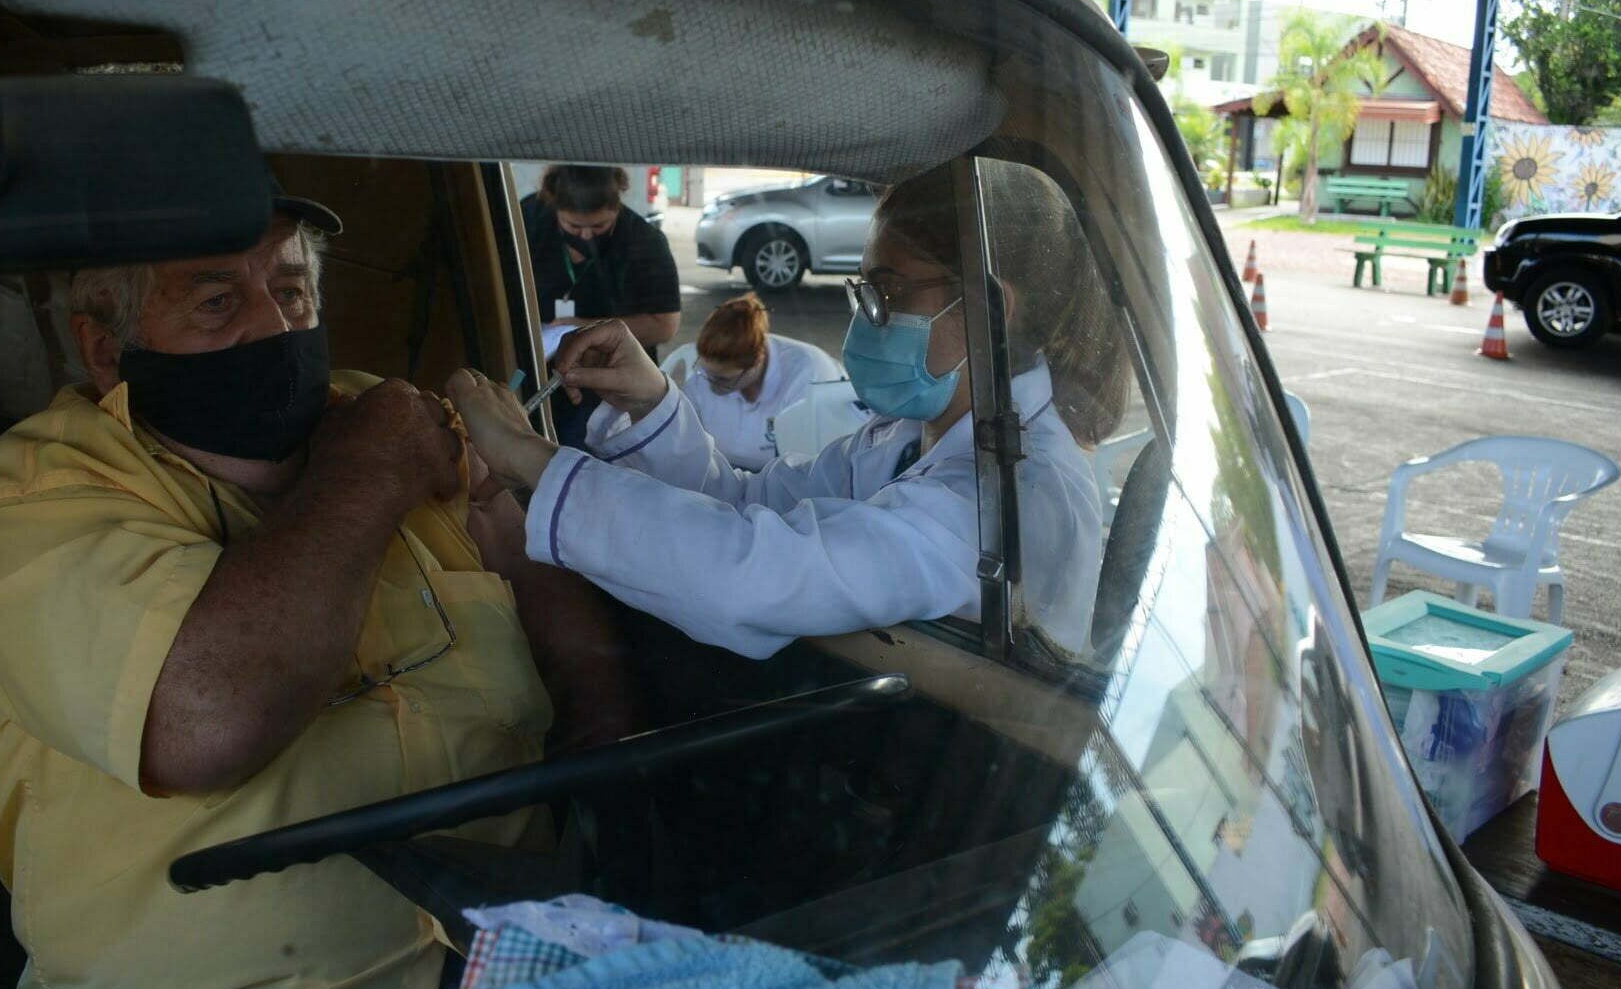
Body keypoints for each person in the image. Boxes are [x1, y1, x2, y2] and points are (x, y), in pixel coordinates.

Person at [0, 198, 618, 989]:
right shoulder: (40, 491)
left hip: (510, 985)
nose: (275, 326)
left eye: (293, 291)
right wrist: (367, 474)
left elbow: (540, 579)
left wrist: (609, 765)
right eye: (217, 301)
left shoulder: (379, 413)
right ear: (106, 348)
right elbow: (208, 716)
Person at [449, 162, 1122, 657]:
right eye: (865, 291)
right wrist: (651, 400)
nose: (866, 316)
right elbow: (749, 504)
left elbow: (757, 574)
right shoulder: (904, 436)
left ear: (987, 308)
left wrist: (531, 457)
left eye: (887, 293)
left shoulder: (1010, 496)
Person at [521, 164, 680, 447]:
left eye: (599, 226)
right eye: (573, 226)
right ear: (555, 207)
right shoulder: (528, 220)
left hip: (608, 383)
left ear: (616, 208)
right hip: (535, 370)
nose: (585, 236)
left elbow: (664, 325)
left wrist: (584, 327)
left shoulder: (645, 241)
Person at [681, 292, 848, 471]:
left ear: (757, 361)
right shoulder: (702, 379)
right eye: (705, 371)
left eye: (723, 379)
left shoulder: (809, 374)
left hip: (791, 475)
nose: (710, 385)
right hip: (721, 471)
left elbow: (811, 463)